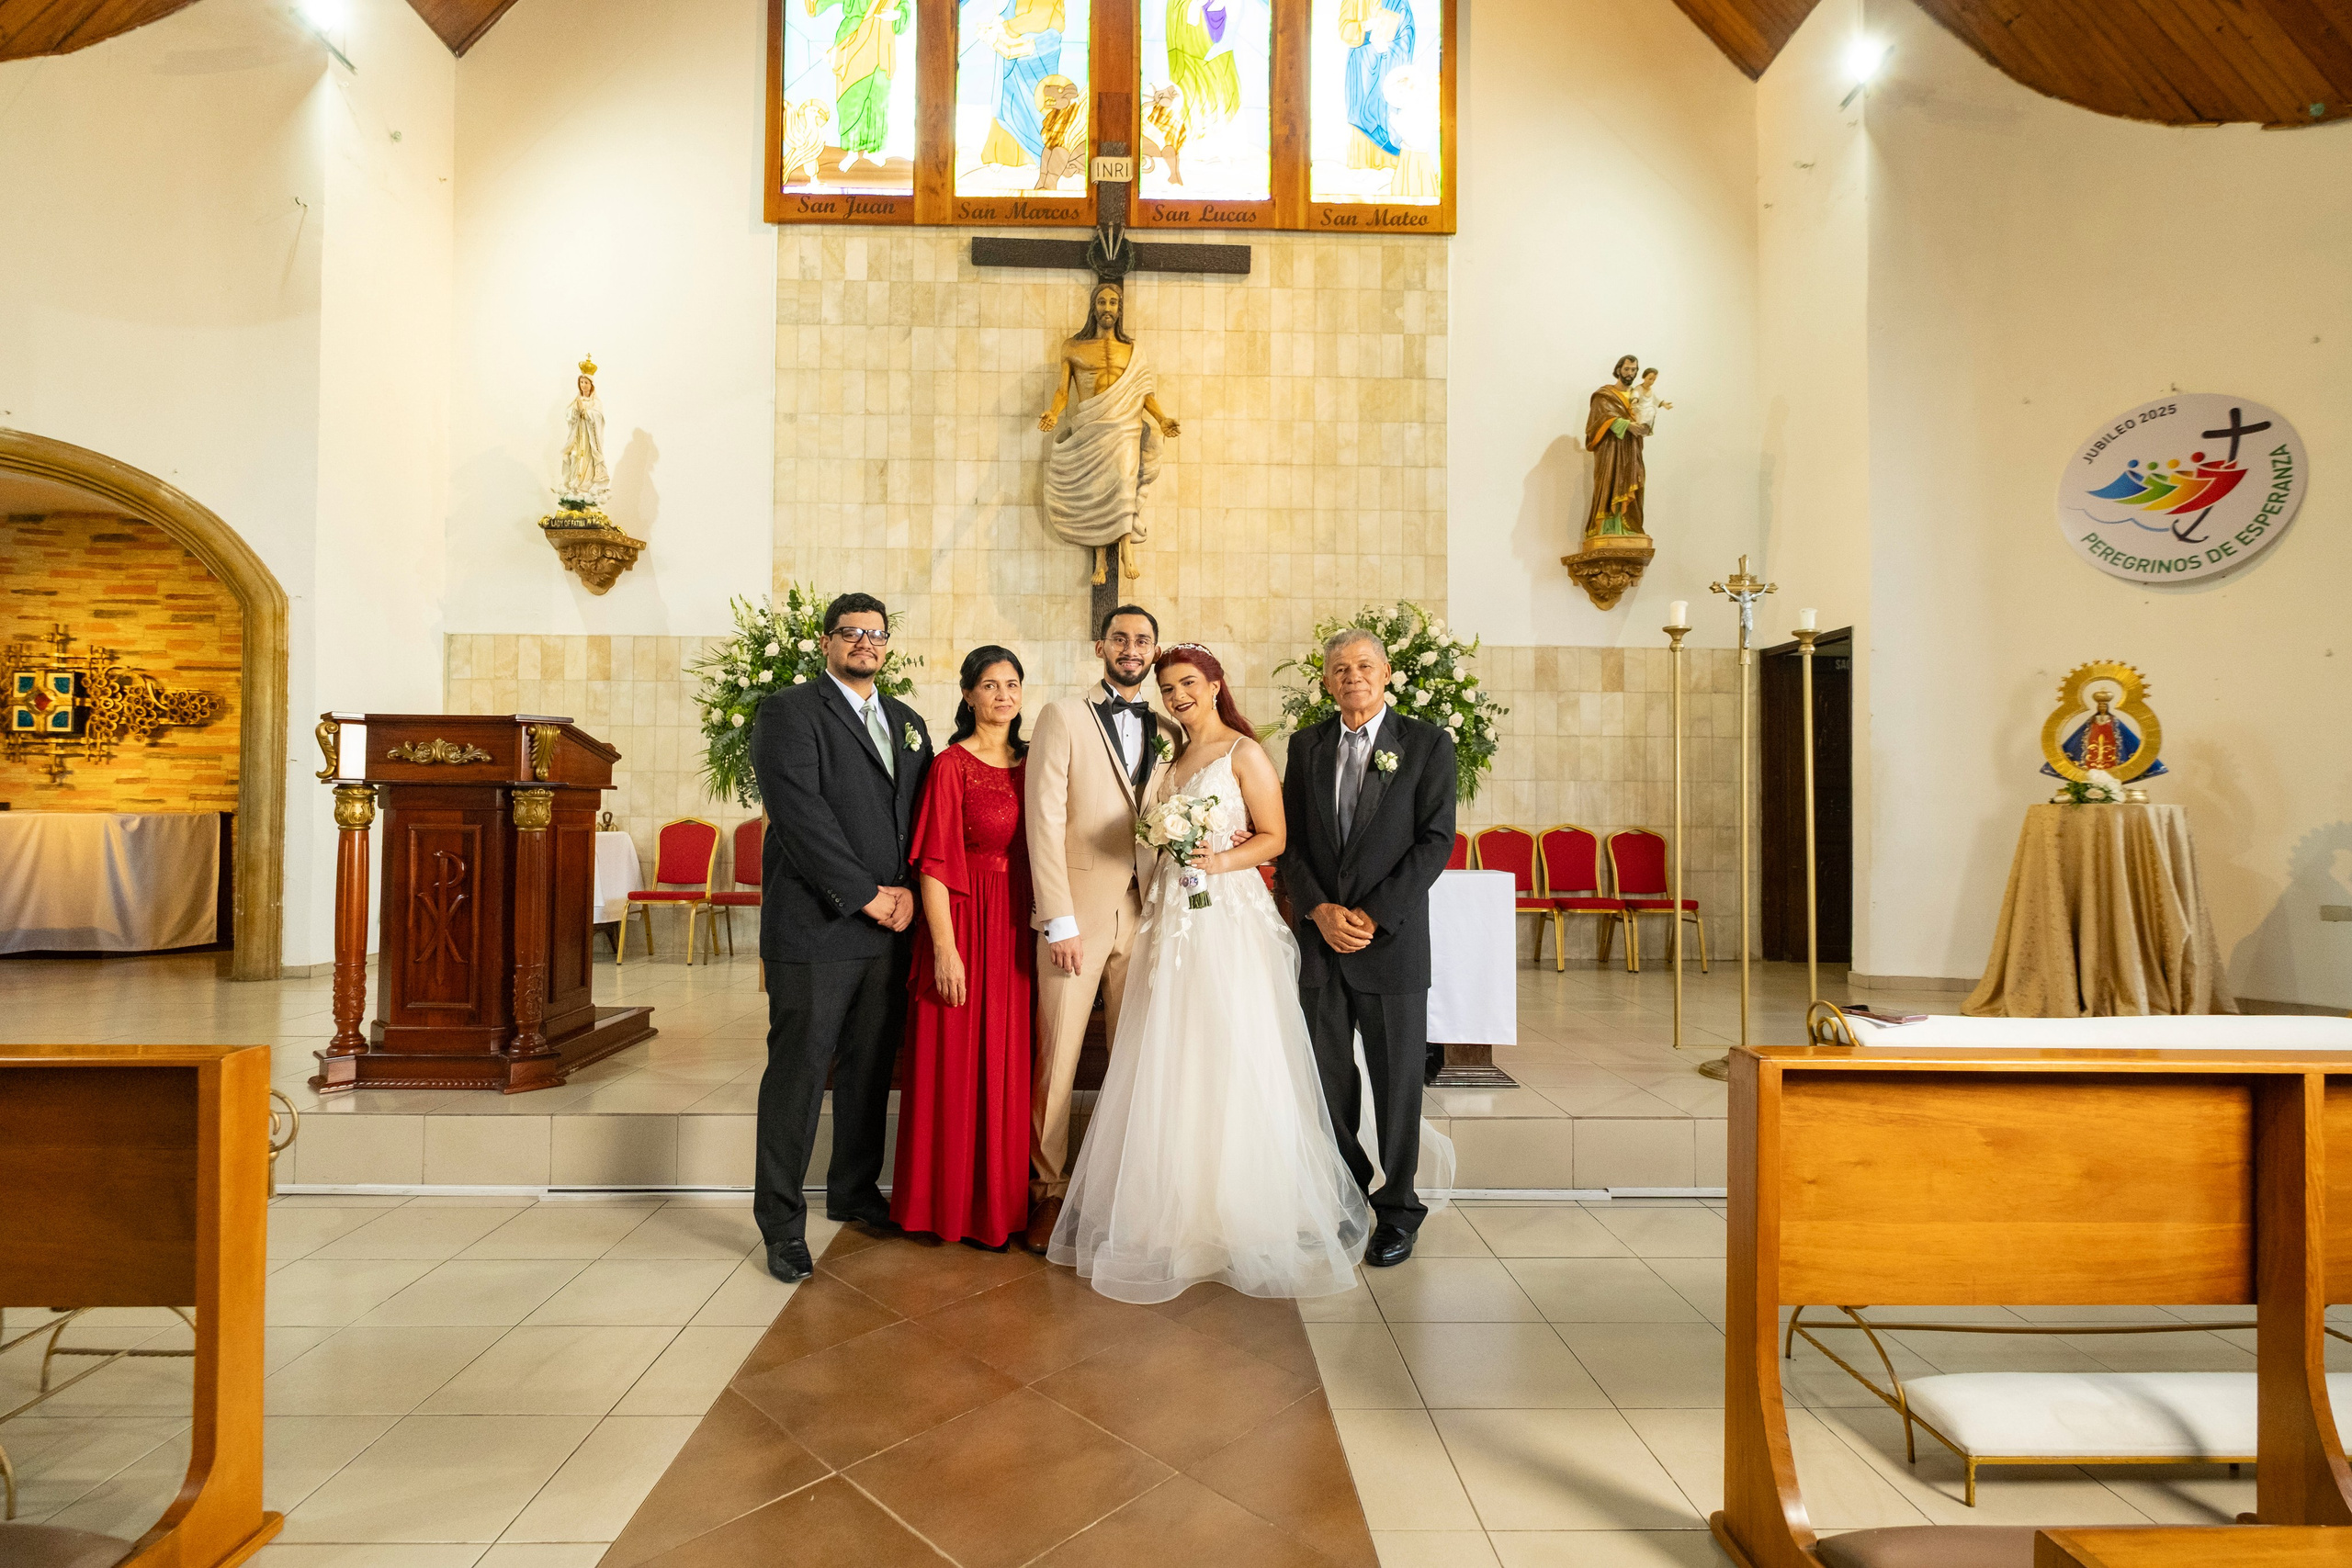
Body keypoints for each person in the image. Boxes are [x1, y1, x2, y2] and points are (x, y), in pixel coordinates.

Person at [1049, 643, 1369, 1302]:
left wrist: (1214, 862)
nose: (1177, 697)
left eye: (1187, 683)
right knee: (1174, 1053)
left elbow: (1274, 837)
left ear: (1216, 683)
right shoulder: (1172, 758)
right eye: (1168, 689)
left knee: (1232, 1048)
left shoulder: (1242, 753)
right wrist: (1174, 847)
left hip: (1227, 917)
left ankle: (1242, 1212)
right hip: (1172, 917)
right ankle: (1176, 1210)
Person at [748, 592, 933, 1282]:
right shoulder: (789, 714)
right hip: (818, 926)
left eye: (875, 634)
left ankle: (854, 1190)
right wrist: (866, 895)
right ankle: (781, 1224)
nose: (864, 642)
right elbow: (801, 817)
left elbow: (921, 817)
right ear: (826, 642)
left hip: (892, 929)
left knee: (867, 1069)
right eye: (851, 633)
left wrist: (912, 890)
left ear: (887, 645)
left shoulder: (907, 721)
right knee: (799, 1074)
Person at [1278, 627, 1456, 1269]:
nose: (1351, 676)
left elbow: (1436, 841)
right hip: (1322, 942)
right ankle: (1348, 1194)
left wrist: (1373, 915)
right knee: (1328, 1081)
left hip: (1392, 943)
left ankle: (1400, 1208)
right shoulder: (1306, 746)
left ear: (1385, 675)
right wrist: (1319, 909)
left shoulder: (1428, 744)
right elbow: (1290, 843)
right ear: (1326, 682)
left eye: (1363, 665)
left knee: (1397, 1082)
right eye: (1338, 668)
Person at [1021, 604, 1181, 1255]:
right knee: (1057, 1057)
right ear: (1100, 646)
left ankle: (1117, 1189)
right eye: (1121, 638)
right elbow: (1043, 820)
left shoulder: (1170, 726)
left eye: (1143, 640)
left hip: (1146, 916)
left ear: (1155, 650)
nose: (1132, 648)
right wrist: (1057, 918)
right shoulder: (1063, 716)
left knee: (1133, 1057)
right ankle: (1047, 1189)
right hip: (1076, 920)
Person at [888, 647, 1035, 1250]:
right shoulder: (951, 764)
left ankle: (1000, 1207)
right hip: (965, 921)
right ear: (968, 694)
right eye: (989, 684)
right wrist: (945, 949)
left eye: (1012, 684)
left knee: (1008, 1065)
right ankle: (941, 1205)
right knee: (952, 1060)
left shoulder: (1036, 763)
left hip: (1018, 930)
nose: (1003, 694)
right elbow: (934, 866)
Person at [1584, 354, 1652, 537]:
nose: (1630, 373)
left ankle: (1628, 528)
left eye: (1633, 370)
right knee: (1610, 483)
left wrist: (1645, 426)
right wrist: (1626, 425)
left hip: (1632, 450)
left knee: (1635, 483)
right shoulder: (1605, 395)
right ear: (1618, 370)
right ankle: (1607, 529)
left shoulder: (1638, 395)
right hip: (1611, 450)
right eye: (1626, 369)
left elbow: (1646, 415)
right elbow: (1597, 421)